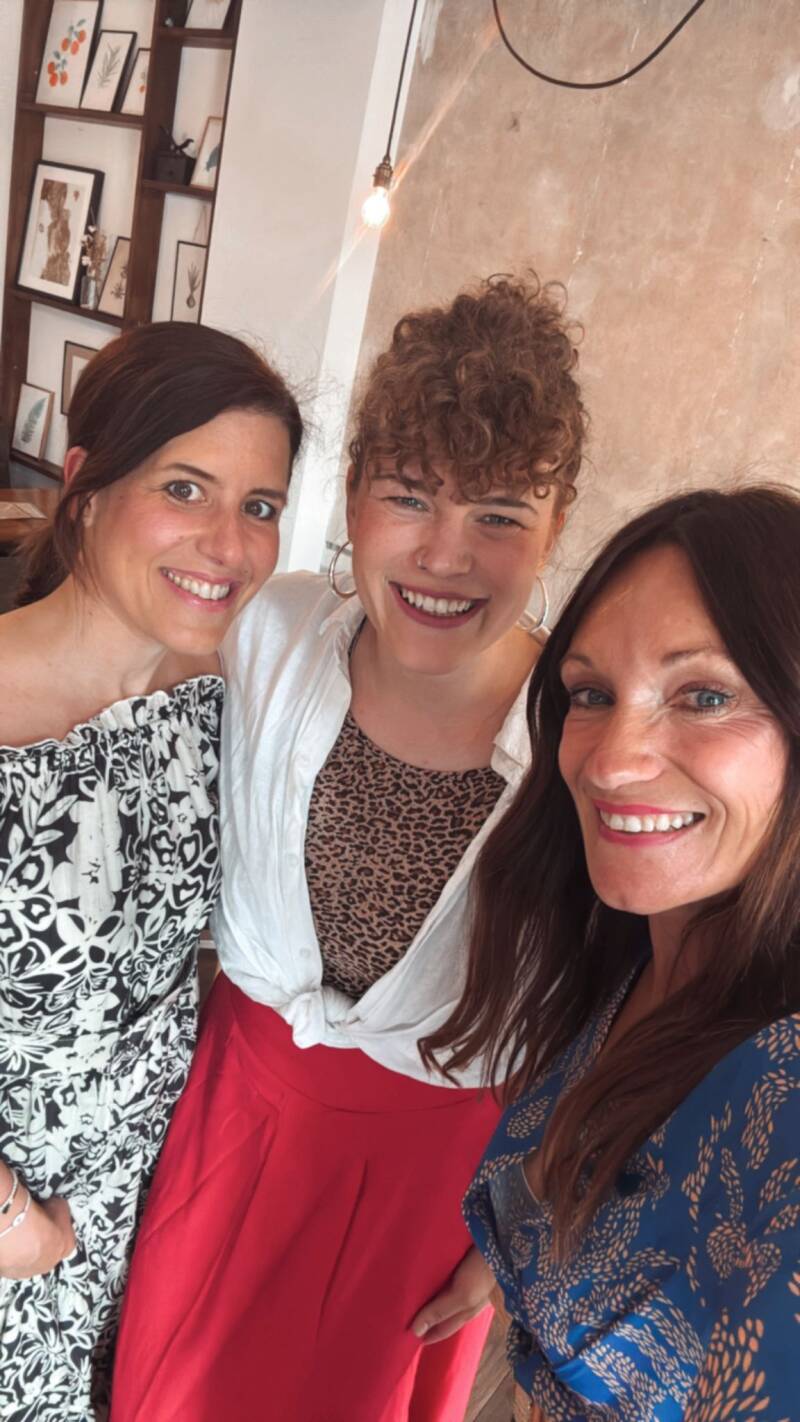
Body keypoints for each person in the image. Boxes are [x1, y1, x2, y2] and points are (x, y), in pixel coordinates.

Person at [111, 274, 588, 1422]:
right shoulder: (269, 631)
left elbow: (621, 1007)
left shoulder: (581, 739)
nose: (443, 556)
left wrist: (523, 1223)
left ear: (555, 528)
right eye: (408, 497)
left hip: (429, 1182)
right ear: (353, 495)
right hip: (225, 1119)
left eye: (497, 516)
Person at [430, 486, 800, 1420]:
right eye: (592, 695)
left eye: (704, 696)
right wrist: (505, 1264)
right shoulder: (636, 953)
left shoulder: (785, 1083)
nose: (608, 760)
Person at [0, 321, 302, 1422]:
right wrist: (14, 1228)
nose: (227, 544)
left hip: (155, 1207)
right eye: (185, 489)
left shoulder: (218, 699)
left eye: (259, 506)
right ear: (84, 487)